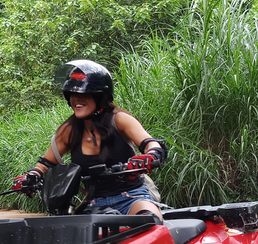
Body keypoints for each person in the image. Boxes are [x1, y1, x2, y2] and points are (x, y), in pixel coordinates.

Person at [11, 59, 166, 219]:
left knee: (150, 220)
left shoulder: (120, 120)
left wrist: (151, 155)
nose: (76, 99)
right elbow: (44, 164)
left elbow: (150, 143)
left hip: (132, 197)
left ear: (100, 97)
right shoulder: (69, 130)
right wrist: (30, 178)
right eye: (72, 94)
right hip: (94, 204)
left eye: (84, 94)